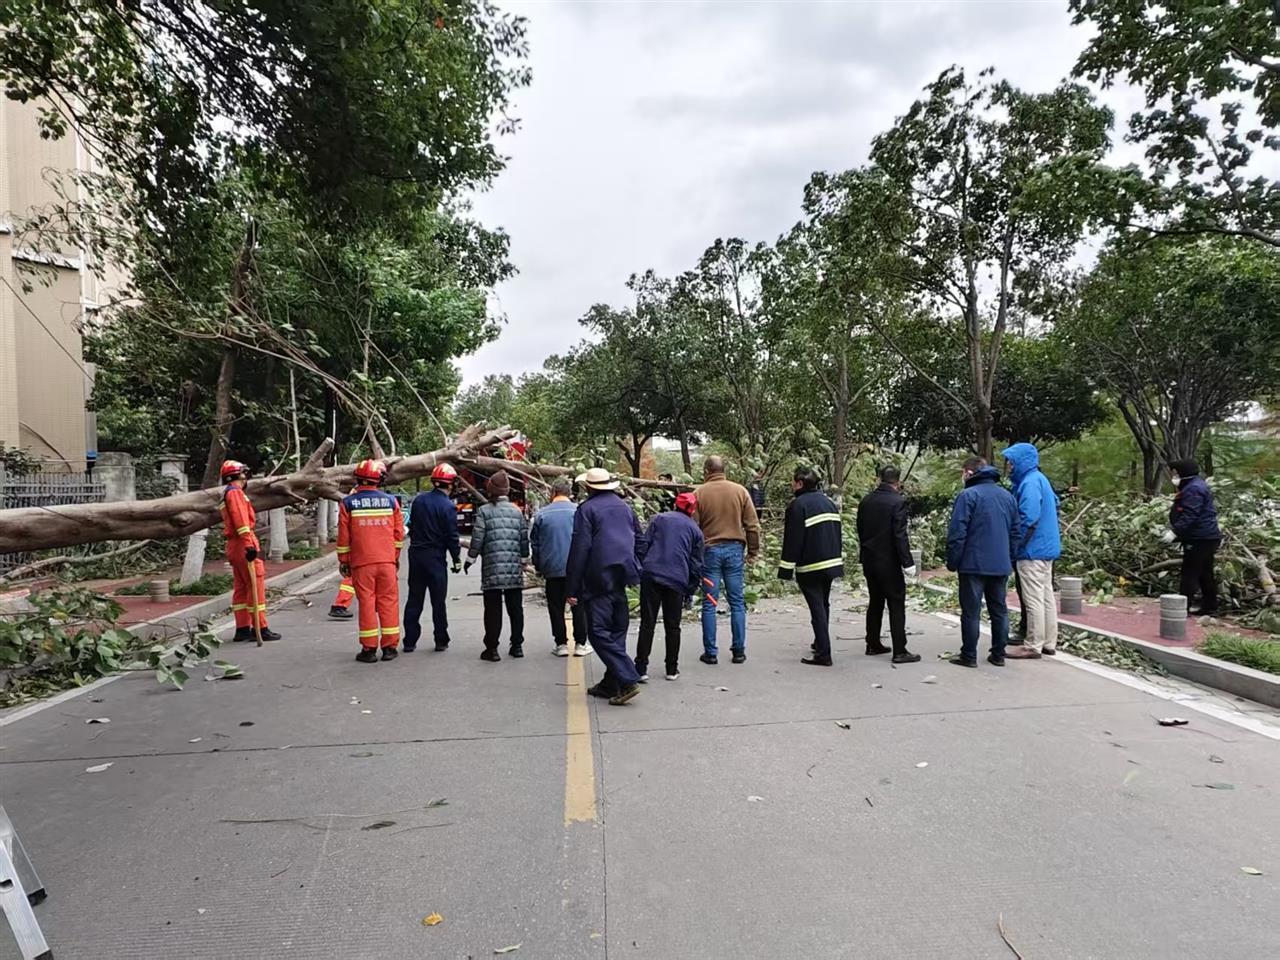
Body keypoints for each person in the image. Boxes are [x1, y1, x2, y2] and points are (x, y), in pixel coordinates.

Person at [566, 467, 644, 705]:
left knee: (598, 632)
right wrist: (638, 567)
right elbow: (640, 540)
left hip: (598, 578)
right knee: (617, 629)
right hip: (624, 576)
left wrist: (571, 588)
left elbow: (580, 549)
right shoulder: (625, 507)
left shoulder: (586, 510)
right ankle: (611, 683)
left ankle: (628, 678)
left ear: (588, 487)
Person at [945, 456, 1020, 669]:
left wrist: (953, 561)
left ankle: (969, 655)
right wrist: (1010, 558)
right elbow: (1016, 532)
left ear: (969, 473)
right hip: (1000, 564)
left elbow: (957, 532)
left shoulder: (968, 496)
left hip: (972, 564)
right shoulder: (1007, 497)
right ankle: (998, 654)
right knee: (999, 610)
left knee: (971, 611)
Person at [695, 455, 761, 665]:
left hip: (710, 552)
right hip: (734, 552)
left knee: (709, 603)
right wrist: (753, 551)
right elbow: (752, 525)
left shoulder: (699, 493)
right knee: (737, 602)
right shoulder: (740, 491)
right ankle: (739, 651)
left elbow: (693, 529)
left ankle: (711, 652)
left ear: (706, 471)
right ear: (725, 470)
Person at [338, 459, 404, 662]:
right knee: (388, 602)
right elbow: (398, 534)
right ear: (380, 479)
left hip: (361, 563)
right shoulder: (391, 502)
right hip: (386, 562)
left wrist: (344, 561)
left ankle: (369, 649)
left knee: (366, 603)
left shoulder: (348, 503)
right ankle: (390, 647)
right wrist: (395, 558)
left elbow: (343, 538)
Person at [778, 466, 845, 667]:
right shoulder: (829, 503)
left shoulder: (798, 506)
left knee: (817, 606)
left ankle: (824, 653)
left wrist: (785, 570)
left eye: (792, 482)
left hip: (810, 566)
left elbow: (793, 540)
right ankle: (819, 642)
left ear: (799, 483)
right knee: (823, 604)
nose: (791, 485)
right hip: (831, 563)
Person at [635, 491, 704, 681]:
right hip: (677, 579)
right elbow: (696, 564)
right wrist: (690, 590)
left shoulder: (659, 519)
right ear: (693, 510)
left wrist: (642, 566)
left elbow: (644, 544)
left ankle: (641, 668)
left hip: (652, 575)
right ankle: (671, 669)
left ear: (675, 504)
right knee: (673, 626)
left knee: (647, 623)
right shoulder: (696, 531)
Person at [1001, 443, 1061, 660]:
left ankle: (1032, 644)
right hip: (1047, 547)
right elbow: (1055, 503)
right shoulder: (1040, 479)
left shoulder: (1029, 483)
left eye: (1011, 461)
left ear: (1020, 461)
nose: (1009, 466)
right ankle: (1048, 642)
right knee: (1046, 597)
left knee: (1033, 598)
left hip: (1032, 549)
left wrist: (1015, 545)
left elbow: (1028, 516)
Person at [855, 465, 920, 664]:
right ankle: (899, 649)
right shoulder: (897, 502)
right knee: (896, 603)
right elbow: (899, 535)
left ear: (879, 479)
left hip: (869, 559)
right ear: (897, 482)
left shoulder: (866, 501)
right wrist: (907, 563)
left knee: (875, 602)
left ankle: (873, 643)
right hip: (889, 562)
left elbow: (860, 529)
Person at [466, 470, 529, 661]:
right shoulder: (517, 512)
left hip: (492, 569)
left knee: (493, 610)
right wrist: (524, 560)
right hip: (513, 570)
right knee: (515, 609)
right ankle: (517, 646)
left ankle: (492, 649)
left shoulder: (484, 511)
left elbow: (477, 538)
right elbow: (523, 539)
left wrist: (470, 558)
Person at [402, 463, 463, 652]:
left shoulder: (419, 501)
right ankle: (441, 640)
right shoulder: (448, 507)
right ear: (451, 484)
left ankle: (410, 641)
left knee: (414, 599)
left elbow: (412, 527)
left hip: (416, 555)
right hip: (435, 558)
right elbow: (452, 537)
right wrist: (456, 558)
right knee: (438, 601)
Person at [219, 460, 281, 642]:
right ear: (238, 475)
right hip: (242, 543)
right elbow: (241, 520)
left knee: (241, 587)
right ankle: (260, 628)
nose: (246, 477)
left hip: (233, 545)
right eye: (244, 473)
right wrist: (249, 544)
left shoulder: (226, 494)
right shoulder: (236, 494)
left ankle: (243, 628)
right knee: (255, 585)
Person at [531, 476, 590, 657]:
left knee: (556, 607)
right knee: (579, 606)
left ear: (553, 492)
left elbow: (536, 545)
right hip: (577, 569)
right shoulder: (580, 512)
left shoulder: (541, 514)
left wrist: (539, 566)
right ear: (569, 493)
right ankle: (581, 643)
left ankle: (561, 643)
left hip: (552, 568)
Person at [1167, 458, 1222, 615]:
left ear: (1182, 472)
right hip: (1205, 537)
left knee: (1190, 573)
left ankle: (1181, 608)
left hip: (1199, 538)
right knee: (1205, 573)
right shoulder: (1194, 485)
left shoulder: (1193, 489)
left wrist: (1174, 532)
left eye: (1175, 473)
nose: (1173, 476)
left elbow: (1191, 514)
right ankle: (1210, 606)